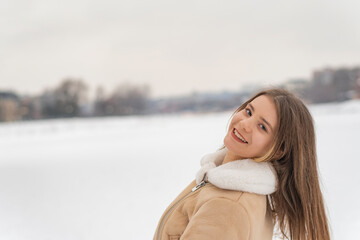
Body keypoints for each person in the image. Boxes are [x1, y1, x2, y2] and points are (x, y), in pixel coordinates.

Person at [153, 88, 330, 240]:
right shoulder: (226, 182)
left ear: (278, 150)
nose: (245, 124)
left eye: (262, 127)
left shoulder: (227, 205)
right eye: (248, 112)